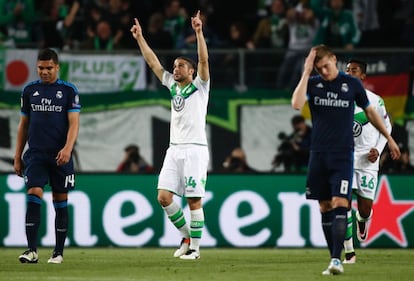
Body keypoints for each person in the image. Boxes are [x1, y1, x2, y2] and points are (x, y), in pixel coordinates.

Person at [291, 44, 400, 275]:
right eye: (319, 68)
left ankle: (342, 251)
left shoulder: (353, 88)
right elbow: (297, 104)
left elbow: (373, 114)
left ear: (334, 59)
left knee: (353, 206)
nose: (324, 71)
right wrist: (306, 71)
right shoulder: (314, 83)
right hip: (319, 154)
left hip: (350, 156)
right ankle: (345, 254)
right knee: (326, 205)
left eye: (326, 66)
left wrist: (387, 142)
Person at [130, 10, 210, 260]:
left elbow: (204, 61)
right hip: (174, 149)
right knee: (163, 197)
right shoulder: (173, 86)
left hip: (195, 149)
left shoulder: (200, 86)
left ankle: (195, 250)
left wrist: (198, 32)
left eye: (181, 65)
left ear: (192, 71)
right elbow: (153, 62)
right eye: (174, 66)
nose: (175, 69)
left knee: (194, 202)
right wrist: (140, 38)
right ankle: (187, 237)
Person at [14, 48, 81, 264]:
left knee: (60, 201)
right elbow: (23, 126)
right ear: (37, 67)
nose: (45, 72)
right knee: (33, 195)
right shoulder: (29, 90)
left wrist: (68, 149)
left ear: (57, 67)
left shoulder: (68, 91)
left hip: (60, 155)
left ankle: (58, 252)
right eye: (41, 68)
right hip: (35, 155)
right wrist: (17, 156)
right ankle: (31, 250)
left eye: (49, 68)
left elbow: (74, 123)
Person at [342, 59, 392, 264]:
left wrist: (378, 151)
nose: (349, 73)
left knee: (364, 208)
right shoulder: (338, 99)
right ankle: (349, 253)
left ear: (363, 76)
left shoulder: (375, 101)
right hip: (343, 159)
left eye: (354, 70)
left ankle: (363, 221)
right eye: (347, 70)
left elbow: (386, 129)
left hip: (367, 162)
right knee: (342, 205)